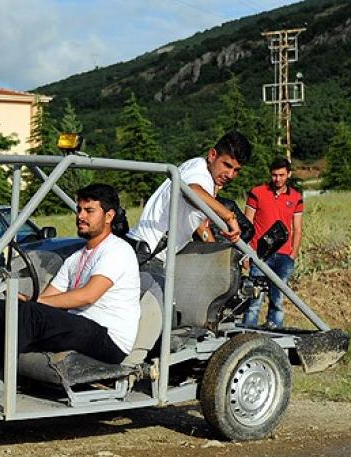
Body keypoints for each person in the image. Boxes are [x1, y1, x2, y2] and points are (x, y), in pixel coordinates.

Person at [0, 183, 141, 374]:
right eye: (79, 210)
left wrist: (32, 303)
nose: (80, 216)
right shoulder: (75, 258)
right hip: (79, 327)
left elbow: (88, 296)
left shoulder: (117, 250)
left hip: (108, 338)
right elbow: (47, 299)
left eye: (89, 211)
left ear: (109, 216)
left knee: (26, 314)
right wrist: (22, 303)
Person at [126, 131, 252, 261]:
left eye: (236, 170)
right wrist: (229, 216)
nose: (230, 175)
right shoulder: (202, 177)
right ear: (212, 155)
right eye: (227, 165)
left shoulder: (195, 164)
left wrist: (214, 252)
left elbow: (196, 218)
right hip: (149, 254)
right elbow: (192, 192)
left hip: (141, 247)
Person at [243, 157, 303, 329]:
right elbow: (247, 223)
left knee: (277, 300)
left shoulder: (296, 197)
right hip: (260, 254)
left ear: (288, 174)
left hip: (284, 255)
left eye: (281, 175)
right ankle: (247, 333)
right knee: (254, 299)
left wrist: (293, 255)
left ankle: (275, 334)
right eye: (274, 175)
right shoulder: (257, 192)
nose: (277, 179)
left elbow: (297, 229)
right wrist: (247, 251)